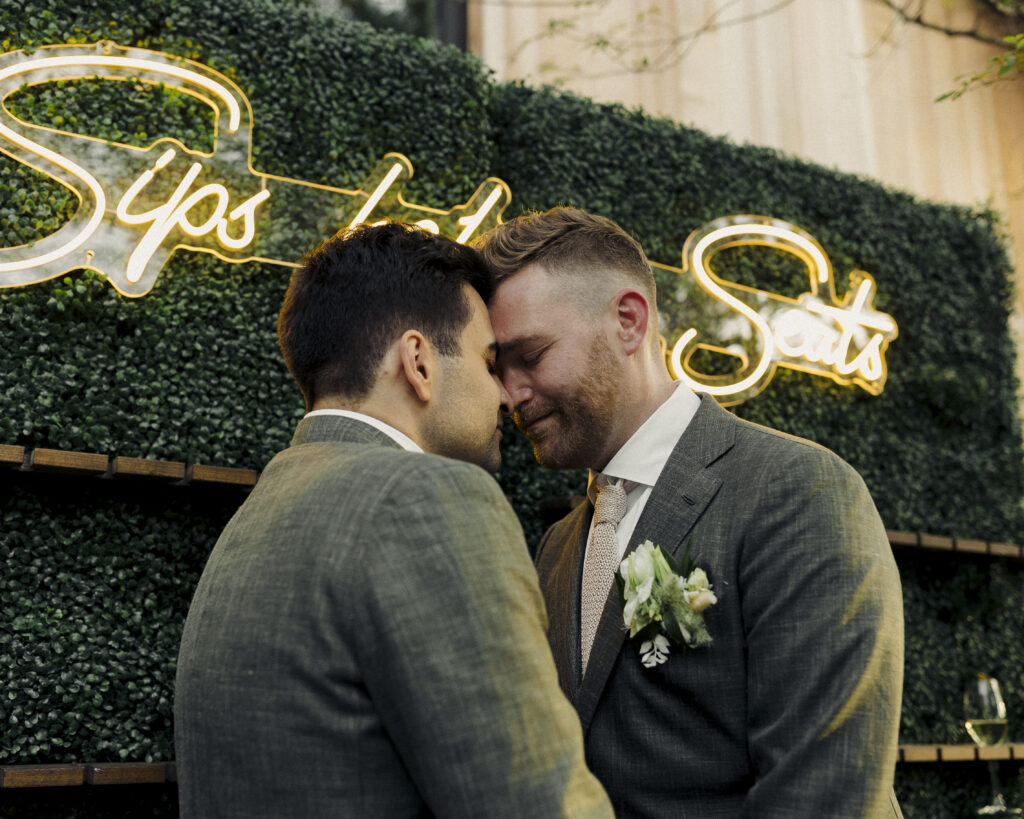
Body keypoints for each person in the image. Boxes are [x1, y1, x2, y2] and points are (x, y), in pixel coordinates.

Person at [174, 222, 613, 818]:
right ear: (419, 362)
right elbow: (534, 800)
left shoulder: (261, 513)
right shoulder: (428, 500)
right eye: (489, 364)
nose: (505, 398)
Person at [476, 207, 905, 818]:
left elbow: (821, 793)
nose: (508, 393)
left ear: (628, 320)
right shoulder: (558, 545)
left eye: (532, 355)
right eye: (498, 368)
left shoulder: (797, 491)